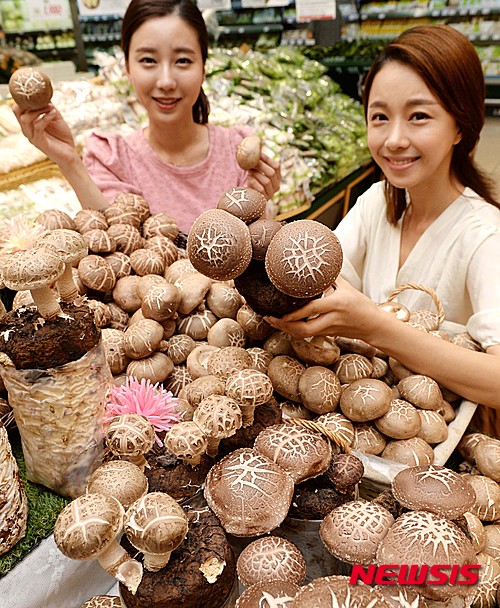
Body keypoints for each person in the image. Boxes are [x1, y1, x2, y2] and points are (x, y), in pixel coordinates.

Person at [266, 25, 500, 426]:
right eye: (380, 117)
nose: (394, 139)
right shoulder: (377, 201)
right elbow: (322, 279)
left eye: (419, 116)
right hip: (362, 424)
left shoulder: (484, 234)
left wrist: (376, 328)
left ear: (461, 126)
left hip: (443, 438)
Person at [12, 0, 281, 234]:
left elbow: (253, 253)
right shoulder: (112, 158)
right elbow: (119, 244)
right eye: (148, 60)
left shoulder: (238, 152)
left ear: (203, 69)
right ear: (127, 68)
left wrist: (260, 200)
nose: (166, 81)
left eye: (183, 61)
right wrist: (69, 161)